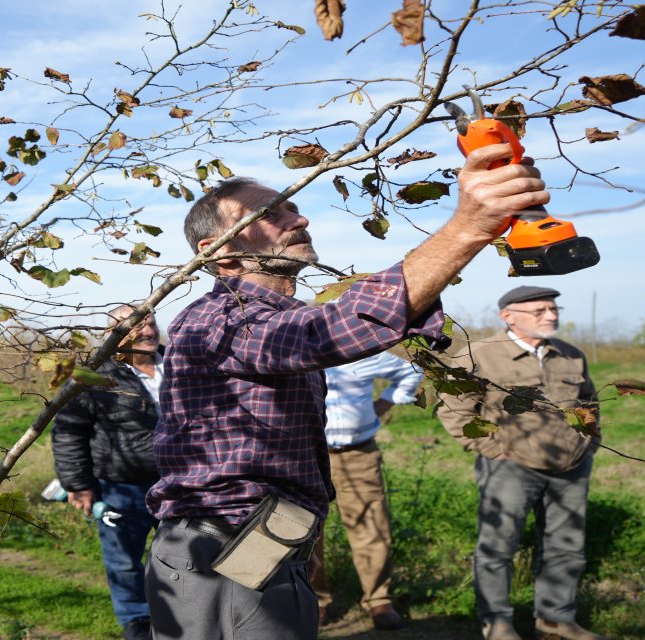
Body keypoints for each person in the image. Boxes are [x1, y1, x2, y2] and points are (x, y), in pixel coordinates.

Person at [144, 141, 551, 640]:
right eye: (269, 213)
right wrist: (468, 227)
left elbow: (359, 321)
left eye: (293, 207)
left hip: (259, 544)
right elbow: (335, 329)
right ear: (221, 252)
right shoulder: (217, 319)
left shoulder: (279, 315)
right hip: (222, 548)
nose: (299, 220)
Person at [436, 286, 603, 640]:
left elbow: (589, 403)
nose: (551, 315)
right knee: (498, 546)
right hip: (509, 467)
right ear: (508, 316)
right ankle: (496, 622)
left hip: (571, 467)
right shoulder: (479, 354)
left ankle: (556, 620)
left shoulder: (570, 355)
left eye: (553, 308)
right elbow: (453, 409)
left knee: (567, 546)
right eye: (540, 310)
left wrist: (588, 443)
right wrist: (495, 450)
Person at [51, 304, 162, 640]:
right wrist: (78, 485)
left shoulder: (181, 364)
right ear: (113, 336)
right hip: (121, 488)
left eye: (151, 324)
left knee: (186, 556)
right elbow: (68, 432)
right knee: (125, 561)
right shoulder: (94, 377)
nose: (147, 332)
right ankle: (137, 622)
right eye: (134, 327)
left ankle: (187, 616)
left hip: (183, 484)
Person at [308, 350, 421, 630]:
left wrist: (379, 406)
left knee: (371, 525)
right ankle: (315, 600)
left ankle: (379, 599)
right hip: (306, 455)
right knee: (307, 530)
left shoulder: (360, 351)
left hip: (358, 454)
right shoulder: (299, 350)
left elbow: (411, 372)